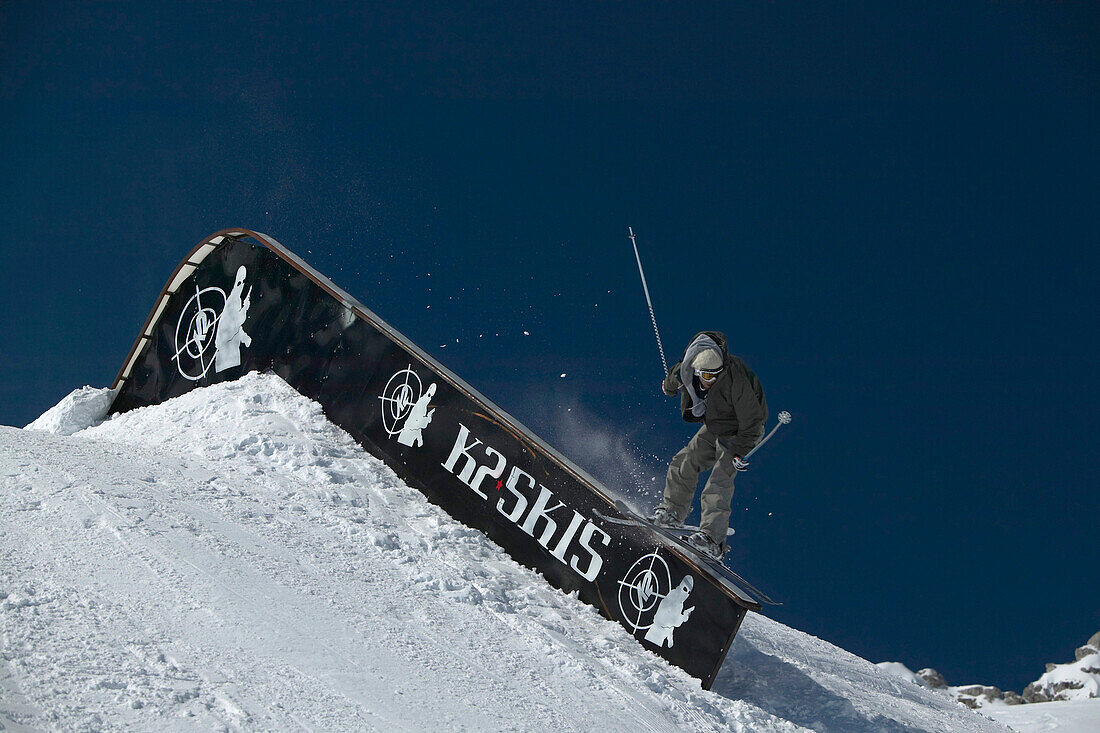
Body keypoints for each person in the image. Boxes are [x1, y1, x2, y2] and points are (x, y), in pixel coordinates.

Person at [651, 331, 767, 559]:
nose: (709, 380)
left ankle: (712, 539)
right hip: (716, 425)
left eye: (714, 375)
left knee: (719, 480)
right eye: (705, 375)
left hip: (740, 431)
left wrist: (741, 451)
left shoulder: (736, 380)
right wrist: (669, 386)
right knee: (685, 460)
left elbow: (753, 422)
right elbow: (676, 374)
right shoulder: (690, 366)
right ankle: (673, 512)